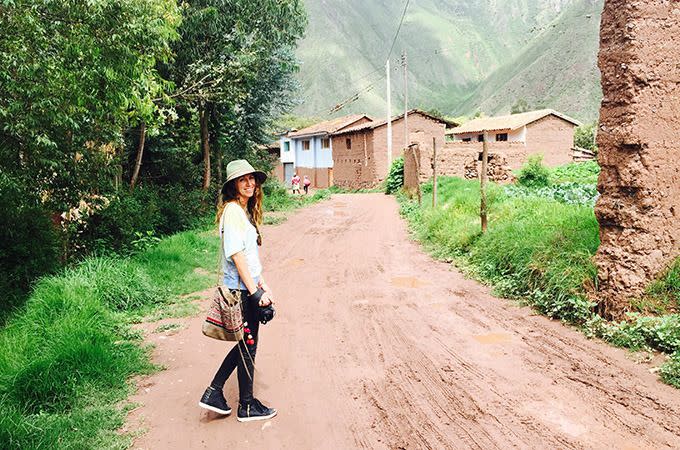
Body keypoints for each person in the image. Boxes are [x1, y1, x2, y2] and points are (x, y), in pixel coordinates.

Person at [199, 159, 277, 422]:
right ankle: (227, 397)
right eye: (243, 180)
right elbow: (235, 254)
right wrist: (255, 292)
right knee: (247, 345)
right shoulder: (233, 211)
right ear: (233, 185)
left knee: (247, 345)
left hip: (247, 288)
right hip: (241, 293)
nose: (250, 183)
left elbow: (249, 256)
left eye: (252, 178)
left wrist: (262, 282)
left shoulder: (243, 213)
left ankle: (235, 400)